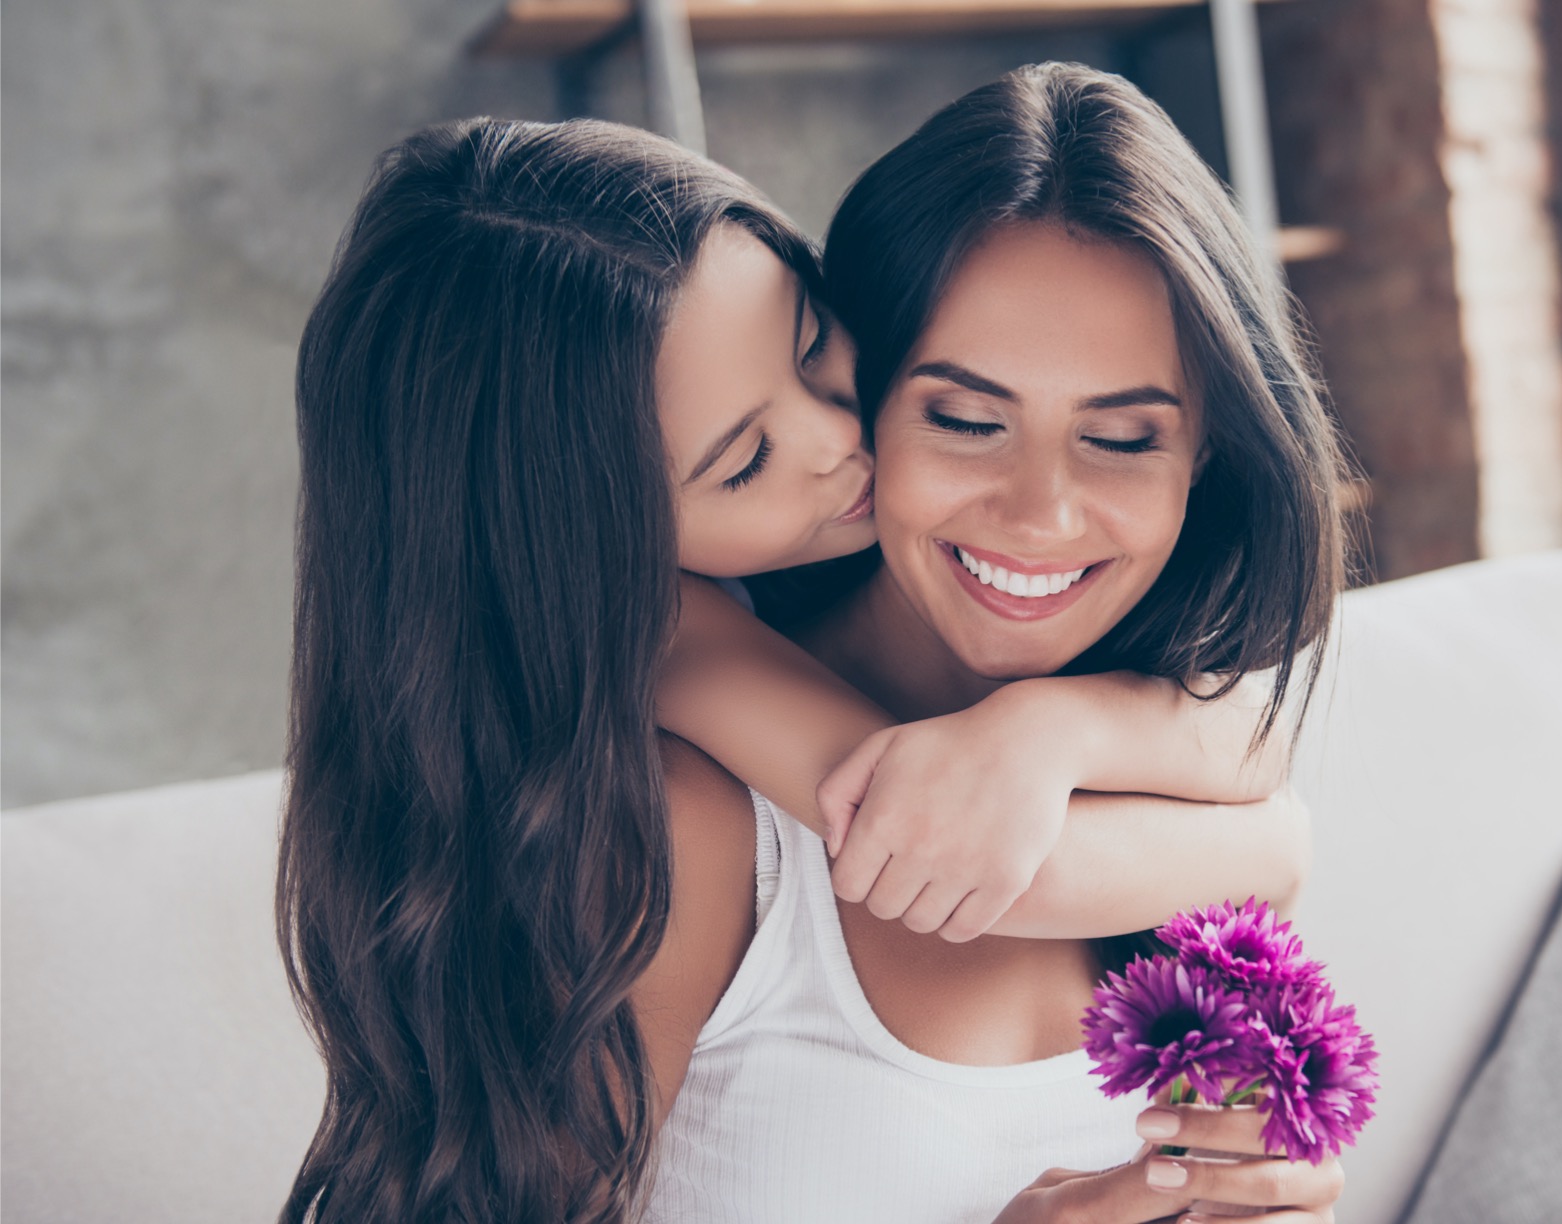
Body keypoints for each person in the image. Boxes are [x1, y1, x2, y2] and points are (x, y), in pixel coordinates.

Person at [278, 104, 1335, 1222]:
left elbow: (1204, 814)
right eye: (743, 464)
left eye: (817, 350)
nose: (845, 439)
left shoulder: (1154, 737)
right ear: (594, 548)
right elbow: (951, 845)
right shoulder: (669, 783)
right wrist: (1263, 839)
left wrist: (1068, 736)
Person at [640, 63, 1352, 1222]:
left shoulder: (1179, 789)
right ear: (860, 395)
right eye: (967, 420)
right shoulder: (691, 809)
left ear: (1206, 459)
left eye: (1123, 439)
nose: (1041, 516)